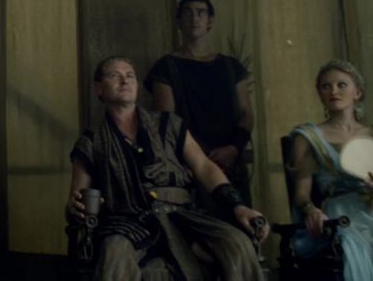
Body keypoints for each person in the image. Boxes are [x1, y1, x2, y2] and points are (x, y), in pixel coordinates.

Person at [67, 56, 268, 280]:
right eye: (115, 76)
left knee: (237, 244)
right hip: (126, 223)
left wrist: (238, 206)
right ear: (98, 88)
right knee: (115, 252)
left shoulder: (169, 124)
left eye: (130, 76)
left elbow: (204, 166)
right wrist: (75, 208)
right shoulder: (91, 141)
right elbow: (77, 198)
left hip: (181, 216)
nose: (125, 81)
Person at [144, 0, 255, 207]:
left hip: (230, 161)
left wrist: (234, 148)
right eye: (187, 13)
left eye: (200, 13)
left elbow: (246, 114)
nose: (194, 18)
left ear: (210, 21)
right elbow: (168, 121)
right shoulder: (166, 67)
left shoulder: (231, 67)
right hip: (187, 165)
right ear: (179, 22)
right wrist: (198, 157)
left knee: (238, 219)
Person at [288, 60, 373, 281]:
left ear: (357, 92)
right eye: (326, 86)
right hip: (340, 213)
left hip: (370, 206)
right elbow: (301, 195)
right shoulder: (308, 137)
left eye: (341, 85)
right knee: (356, 245)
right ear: (320, 94)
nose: (333, 91)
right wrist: (312, 211)